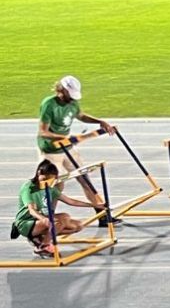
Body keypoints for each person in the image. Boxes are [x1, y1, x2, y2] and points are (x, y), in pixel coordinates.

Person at [35, 74, 116, 220]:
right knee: (56, 185)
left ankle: (102, 215)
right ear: (62, 90)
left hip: (67, 147)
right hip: (50, 150)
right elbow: (43, 132)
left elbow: (81, 116)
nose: (72, 99)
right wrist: (63, 138)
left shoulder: (72, 103)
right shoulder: (49, 104)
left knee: (84, 178)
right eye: (70, 95)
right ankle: (48, 219)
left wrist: (99, 121)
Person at [13, 158, 101, 258]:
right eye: (45, 179)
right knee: (59, 222)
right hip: (26, 223)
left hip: (41, 221)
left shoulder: (50, 188)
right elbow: (32, 210)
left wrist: (95, 205)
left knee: (77, 225)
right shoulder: (28, 187)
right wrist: (44, 219)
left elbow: (71, 201)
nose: (47, 183)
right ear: (39, 174)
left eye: (50, 180)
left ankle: (39, 237)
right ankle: (42, 247)